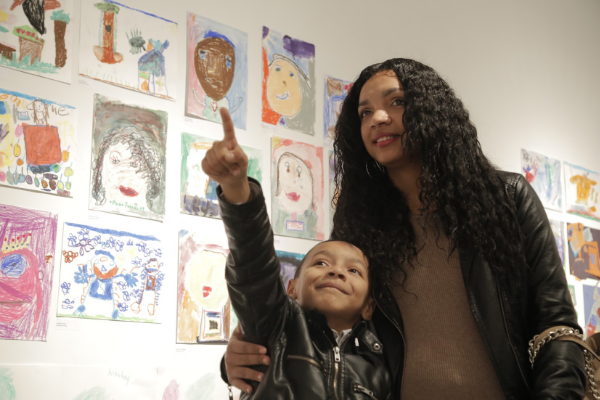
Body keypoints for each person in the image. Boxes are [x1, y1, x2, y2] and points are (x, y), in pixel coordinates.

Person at [221, 58, 586, 399]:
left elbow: (556, 326)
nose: (377, 118)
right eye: (365, 112)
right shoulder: (359, 222)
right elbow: (327, 327)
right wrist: (246, 353)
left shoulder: (506, 198)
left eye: (396, 102)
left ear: (433, 112)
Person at [203, 108, 392, 399]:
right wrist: (236, 188)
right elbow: (253, 267)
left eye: (353, 270)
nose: (337, 271)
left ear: (369, 306)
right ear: (291, 288)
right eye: (321, 263)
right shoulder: (277, 326)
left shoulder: (378, 366)